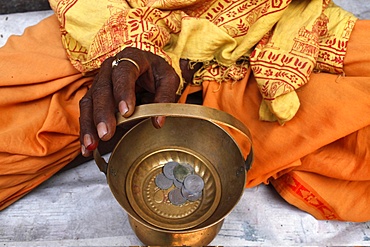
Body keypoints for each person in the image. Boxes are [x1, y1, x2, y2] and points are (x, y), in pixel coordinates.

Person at [1, 0, 369, 222]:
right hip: (123, 20)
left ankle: (185, 105)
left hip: (273, 32)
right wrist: (129, 45)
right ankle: (144, 108)